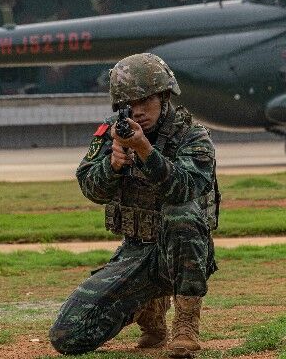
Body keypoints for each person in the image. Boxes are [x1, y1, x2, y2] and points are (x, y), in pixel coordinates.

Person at [49, 53, 219, 358]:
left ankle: (185, 324)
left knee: (182, 214)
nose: (138, 112)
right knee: (68, 337)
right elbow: (90, 187)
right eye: (130, 105)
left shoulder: (192, 136)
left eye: (146, 102)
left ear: (165, 96)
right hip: (137, 251)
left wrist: (144, 149)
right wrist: (112, 165)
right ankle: (150, 311)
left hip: (184, 254)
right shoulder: (113, 131)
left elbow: (185, 188)